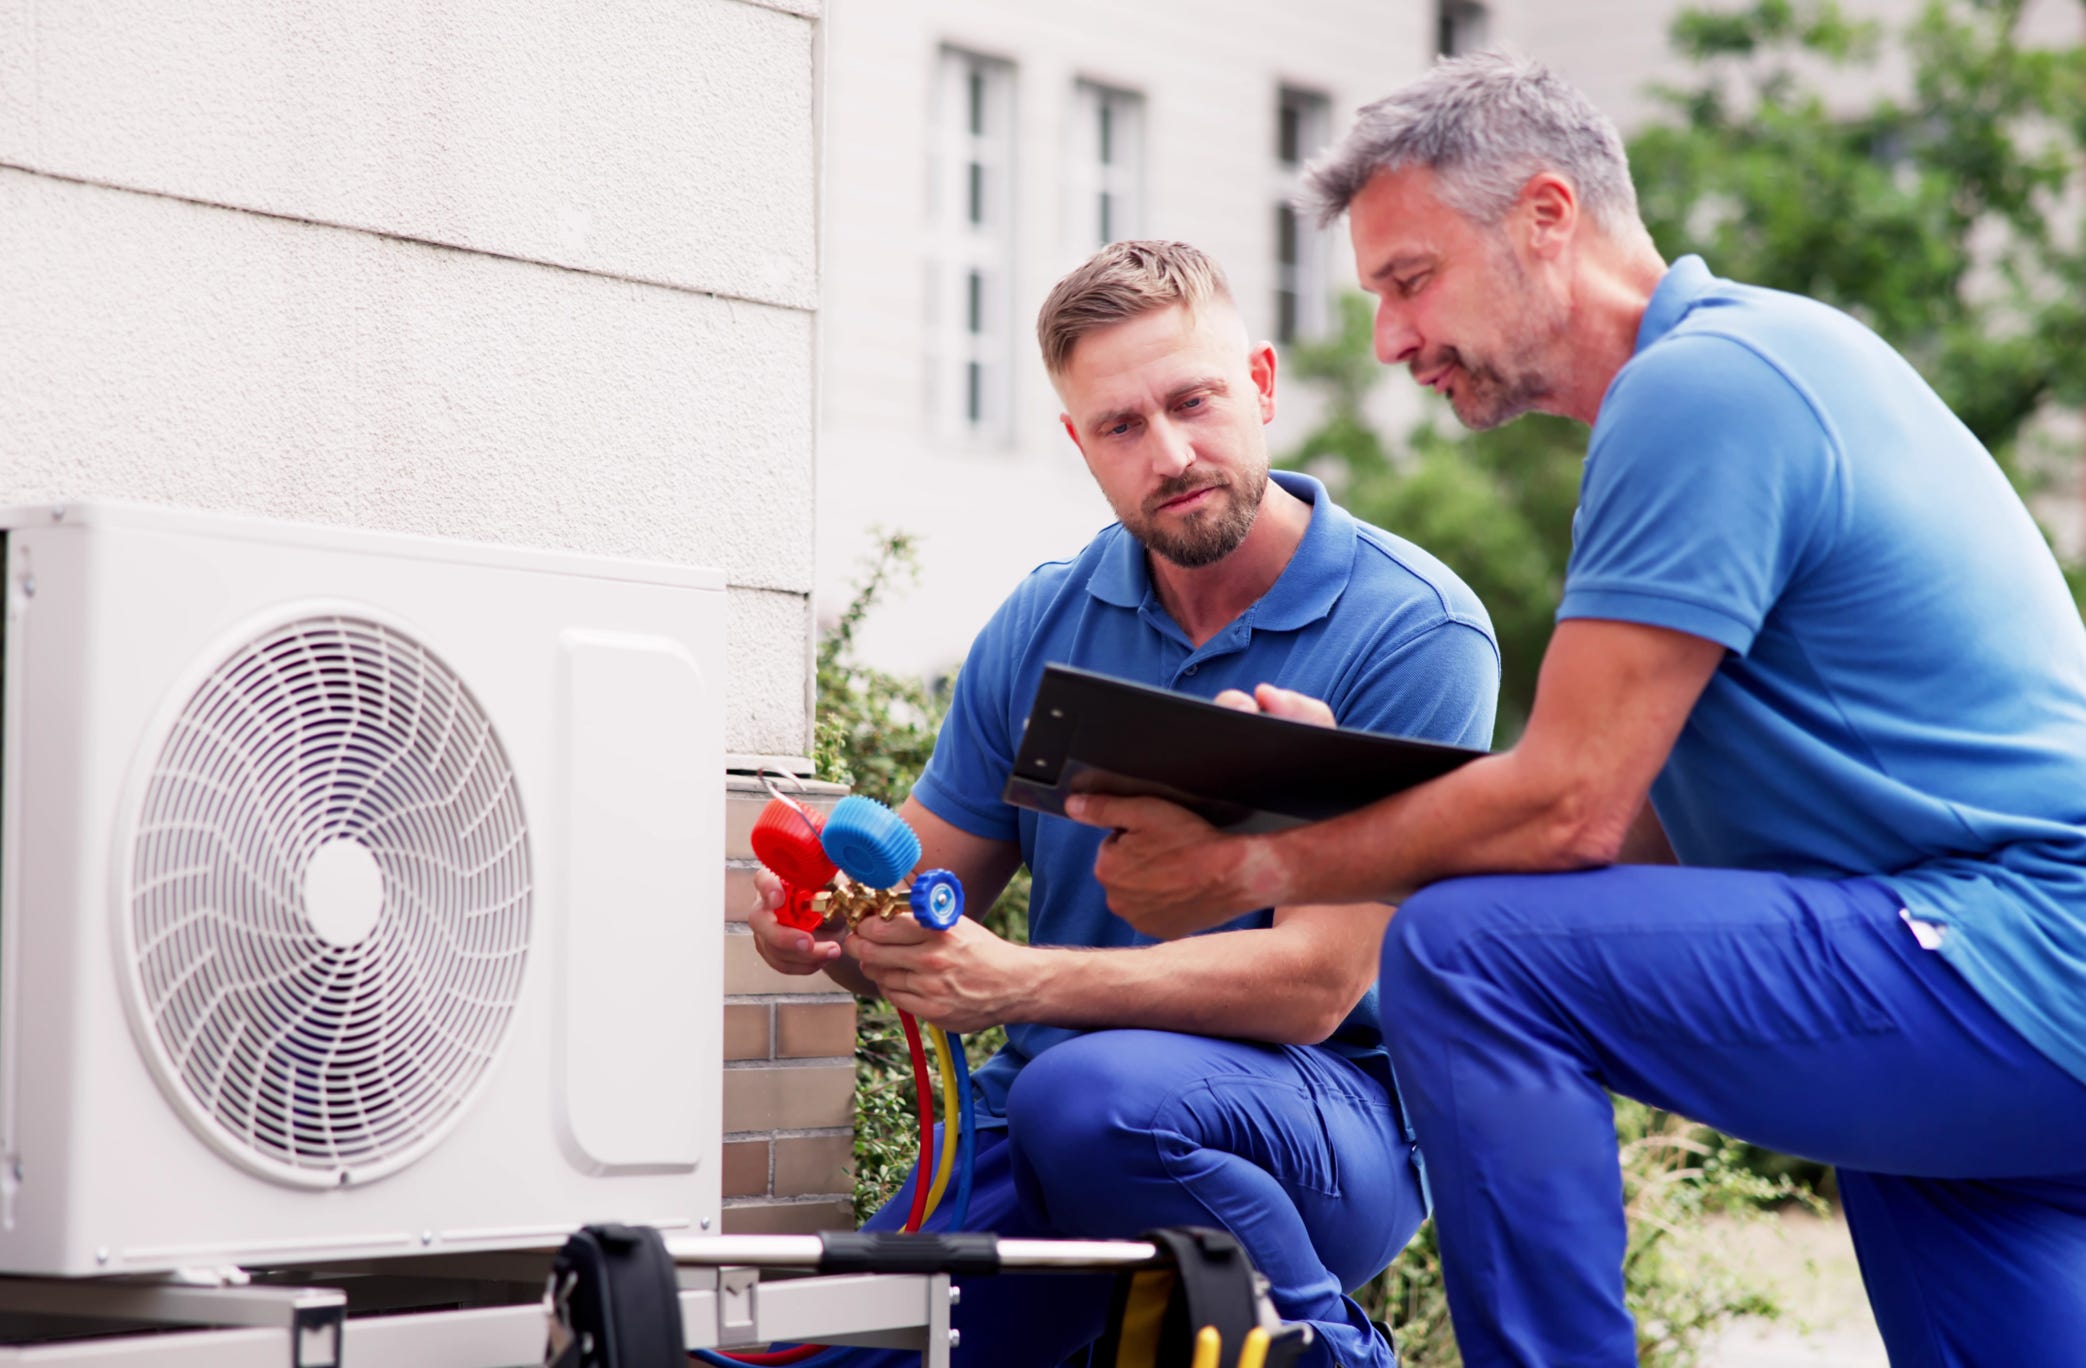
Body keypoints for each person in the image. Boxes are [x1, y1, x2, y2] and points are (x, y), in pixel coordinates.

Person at [1068, 52, 2086, 1368]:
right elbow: (1628, 835)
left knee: (1466, 956)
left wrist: (1248, 866)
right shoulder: (1749, 372)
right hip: (1987, 1005)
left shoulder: (1704, 387)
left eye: (1408, 279)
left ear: (1546, 218)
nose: (1388, 340)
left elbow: (1566, 812)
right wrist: (1344, 798)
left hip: (2014, 948)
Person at [751, 239, 1500, 1368]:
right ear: (1077, 444)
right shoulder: (1043, 622)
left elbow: (1315, 986)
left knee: (1091, 1093)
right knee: (829, 1353)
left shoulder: (1413, 633)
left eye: (1193, 402)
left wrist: (1021, 982)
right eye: (1120, 426)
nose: (1171, 452)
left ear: (1258, 382)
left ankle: (1334, 1356)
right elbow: (914, 907)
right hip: (1041, 1117)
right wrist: (836, 930)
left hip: (1329, 1120)